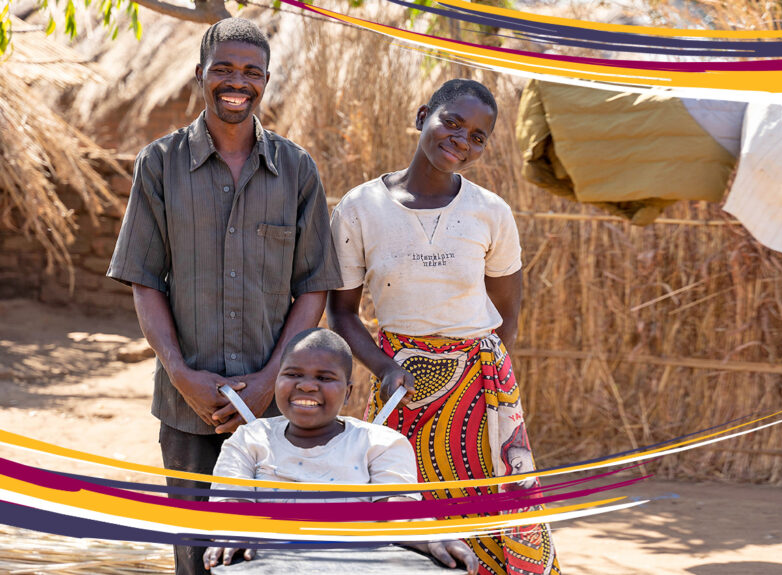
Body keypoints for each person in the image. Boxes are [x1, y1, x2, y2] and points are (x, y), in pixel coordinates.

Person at [106, 18, 343, 575]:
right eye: (225, 69)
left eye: (251, 72)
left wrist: (269, 383)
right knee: (195, 556)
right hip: (188, 409)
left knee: (271, 557)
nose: (238, 82)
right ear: (199, 76)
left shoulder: (297, 170)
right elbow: (145, 279)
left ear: (265, 82)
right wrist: (180, 372)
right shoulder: (159, 165)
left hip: (279, 410)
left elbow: (313, 287)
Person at [328, 79, 560, 575]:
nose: (462, 139)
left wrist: (481, 381)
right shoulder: (359, 207)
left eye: (477, 136)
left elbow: (507, 314)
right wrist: (385, 367)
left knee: (494, 515)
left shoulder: (490, 212)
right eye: (452, 122)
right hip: (402, 385)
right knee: (405, 516)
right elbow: (343, 311)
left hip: (481, 389)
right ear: (421, 116)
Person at [202, 328, 478, 574]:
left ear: (347, 393)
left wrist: (431, 536)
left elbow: (396, 509)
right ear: (277, 382)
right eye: (293, 374)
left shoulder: (379, 444)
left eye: (324, 377)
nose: (307, 385)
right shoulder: (250, 439)